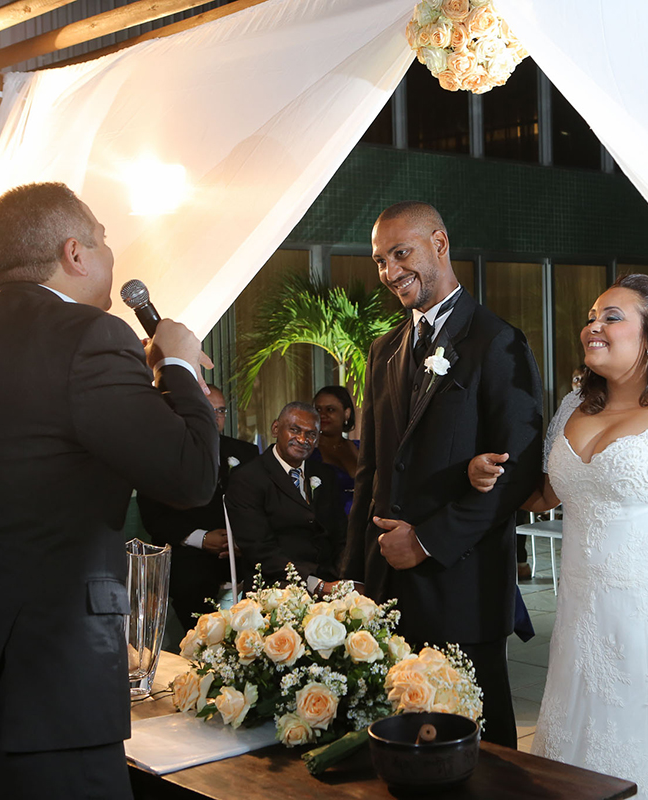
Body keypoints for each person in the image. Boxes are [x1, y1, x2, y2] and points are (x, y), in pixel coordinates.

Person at [0, 182, 220, 800]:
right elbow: (191, 476)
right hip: (39, 682)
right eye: (103, 241)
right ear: (75, 253)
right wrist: (177, 364)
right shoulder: (93, 335)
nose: (111, 254)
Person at [469, 273, 648, 796]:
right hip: (585, 622)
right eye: (591, 318)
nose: (592, 327)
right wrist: (485, 474)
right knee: (581, 753)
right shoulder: (573, 406)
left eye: (611, 317)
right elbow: (546, 495)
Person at [341, 201, 543, 749]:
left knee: (482, 748)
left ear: (439, 244)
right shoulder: (383, 350)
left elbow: (518, 472)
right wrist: (355, 575)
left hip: (463, 587)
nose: (389, 272)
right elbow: (371, 471)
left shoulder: (497, 341)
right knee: (400, 741)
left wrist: (427, 540)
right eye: (380, 261)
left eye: (400, 253)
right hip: (388, 586)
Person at [138, 385, 260, 625]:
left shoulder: (246, 453)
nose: (215, 417)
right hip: (190, 555)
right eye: (208, 409)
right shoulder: (159, 455)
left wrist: (241, 541)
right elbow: (154, 517)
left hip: (241, 553)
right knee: (192, 586)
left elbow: (261, 506)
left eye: (221, 410)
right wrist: (202, 539)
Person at [226, 402, 347, 590]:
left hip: (330, 579)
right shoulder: (247, 478)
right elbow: (260, 550)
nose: (302, 439)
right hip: (275, 585)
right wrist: (317, 585)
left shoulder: (325, 475)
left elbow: (341, 535)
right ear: (276, 428)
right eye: (294, 430)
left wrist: (344, 575)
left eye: (311, 434)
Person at [309, 385, 360, 517]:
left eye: (330, 409)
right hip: (330, 524)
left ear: (346, 413)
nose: (322, 415)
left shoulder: (360, 448)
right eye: (318, 409)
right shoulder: (309, 454)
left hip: (367, 521)